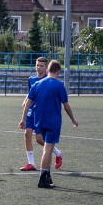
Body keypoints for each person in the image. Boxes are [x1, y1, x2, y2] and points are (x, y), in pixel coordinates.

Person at [20, 60, 78, 189]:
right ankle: (43, 178)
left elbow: (27, 103)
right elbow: (66, 106)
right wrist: (73, 119)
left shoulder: (37, 84)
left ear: (47, 70)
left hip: (39, 121)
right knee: (47, 150)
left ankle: (48, 176)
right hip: (53, 122)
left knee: (48, 148)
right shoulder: (59, 85)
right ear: (59, 72)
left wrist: (23, 119)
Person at [20, 57, 63, 171]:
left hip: (41, 113)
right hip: (31, 112)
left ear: (46, 67)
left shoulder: (48, 79)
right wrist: (25, 101)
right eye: (37, 65)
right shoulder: (31, 79)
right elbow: (30, 93)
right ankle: (31, 163)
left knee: (39, 139)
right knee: (27, 133)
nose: (38, 67)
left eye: (41, 66)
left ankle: (58, 153)